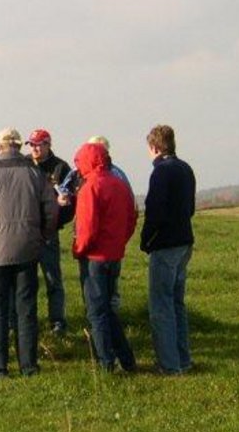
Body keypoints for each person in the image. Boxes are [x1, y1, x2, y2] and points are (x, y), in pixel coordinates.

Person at [0, 127, 58, 378]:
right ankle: (29, 366)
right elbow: (50, 211)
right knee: (26, 310)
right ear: (19, 146)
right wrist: (43, 237)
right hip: (28, 251)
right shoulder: (35, 174)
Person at [71, 141, 138, 372]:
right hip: (114, 255)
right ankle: (127, 360)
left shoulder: (90, 187)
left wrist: (78, 249)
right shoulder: (120, 184)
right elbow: (131, 218)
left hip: (94, 258)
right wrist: (119, 242)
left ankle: (105, 363)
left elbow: (87, 228)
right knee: (109, 310)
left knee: (96, 312)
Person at [140, 124, 197, 375]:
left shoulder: (161, 172)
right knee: (176, 303)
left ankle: (168, 364)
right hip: (185, 240)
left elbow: (155, 210)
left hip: (166, 244)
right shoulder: (185, 168)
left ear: (154, 147)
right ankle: (183, 359)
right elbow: (191, 207)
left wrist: (146, 238)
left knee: (161, 305)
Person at [26, 128, 71, 336]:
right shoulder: (25, 164)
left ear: (47, 144)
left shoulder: (60, 167)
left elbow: (70, 203)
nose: (35, 148)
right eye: (32, 145)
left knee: (53, 278)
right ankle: (28, 319)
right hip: (27, 231)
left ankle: (57, 320)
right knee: (27, 280)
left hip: (49, 233)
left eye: (38, 144)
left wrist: (56, 221)